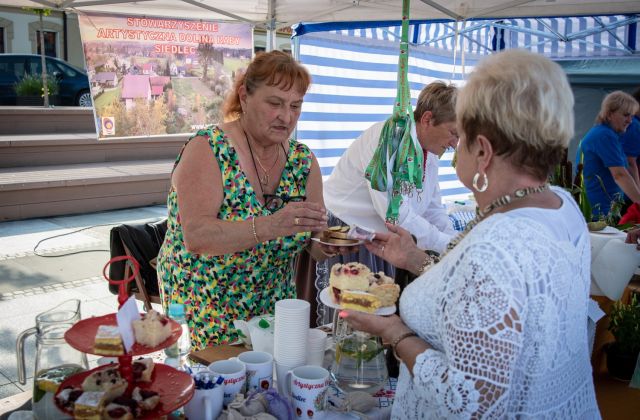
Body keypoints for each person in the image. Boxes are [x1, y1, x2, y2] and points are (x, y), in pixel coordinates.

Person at [341, 50, 599, 418]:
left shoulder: (495, 246)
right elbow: (484, 299)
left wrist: (395, 333)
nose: (453, 148)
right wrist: (416, 260)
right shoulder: (560, 204)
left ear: (483, 152)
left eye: (460, 138)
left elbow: (469, 402)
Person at [157, 51, 334, 349]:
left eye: (295, 106)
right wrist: (272, 225)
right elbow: (197, 237)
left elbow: (314, 243)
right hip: (205, 303)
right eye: (275, 103)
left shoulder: (303, 162)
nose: (286, 116)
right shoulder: (209, 149)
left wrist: (327, 243)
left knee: (268, 388)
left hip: (274, 306)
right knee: (218, 390)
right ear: (245, 96)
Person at [323, 81, 458, 254]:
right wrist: (445, 244)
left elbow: (433, 209)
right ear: (427, 119)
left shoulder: (429, 152)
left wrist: (453, 241)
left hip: (376, 236)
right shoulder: (389, 140)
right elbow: (397, 216)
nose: (455, 145)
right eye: (453, 133)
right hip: (345, 232)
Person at [577, 90, 640, 219]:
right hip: (599, 211)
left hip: (604, 208)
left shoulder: (606, 134)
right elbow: (620, 175)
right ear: (610, 114)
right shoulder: (605, 136)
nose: (630, 121)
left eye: (632, 116)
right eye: (626, 115)